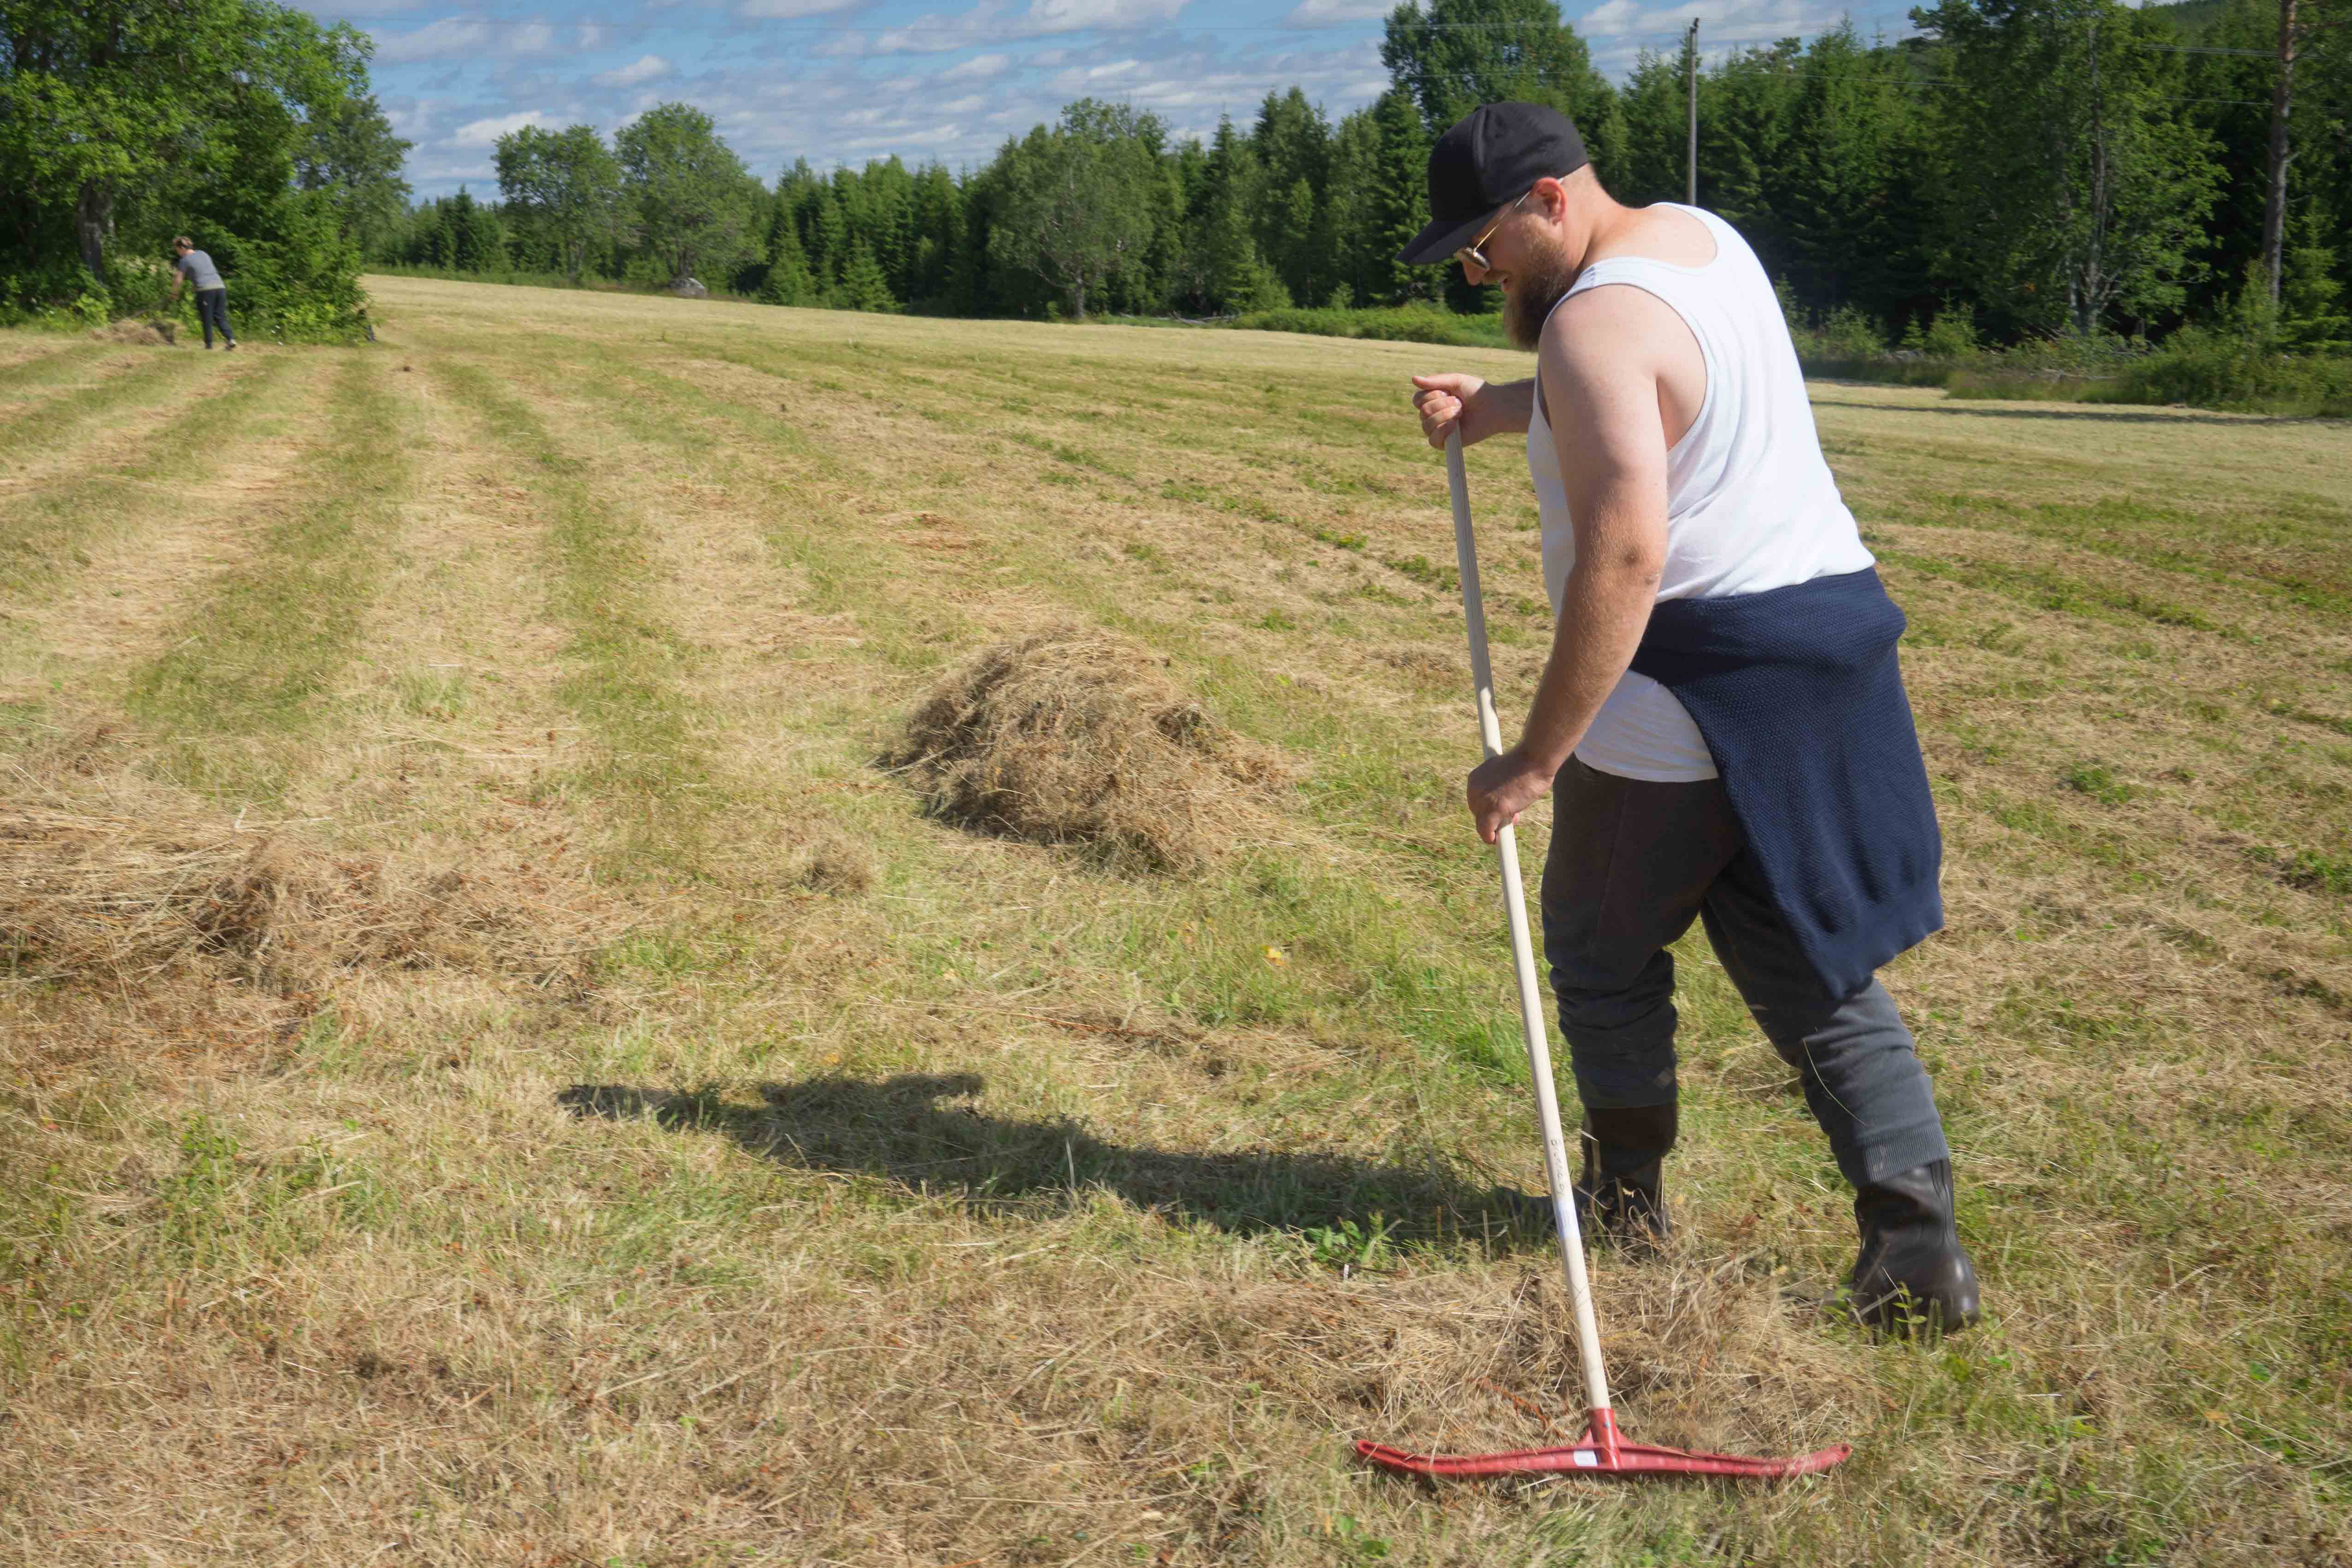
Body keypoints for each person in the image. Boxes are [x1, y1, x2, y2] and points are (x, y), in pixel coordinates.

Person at [1400, 102, 1979, 1335]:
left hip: (1694, 680)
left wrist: (1534, 759)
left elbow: (1623, 557)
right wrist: (1501, 407)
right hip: (1823, 650)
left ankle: (1626, 1205)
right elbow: (1664, 399)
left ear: (1551, 199)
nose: (1474, 268)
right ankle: (1918, 1253)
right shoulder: (1698, 241)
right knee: (1805, 952)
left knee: (1601, 938)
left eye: (1486, 240)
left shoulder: (1590, 323)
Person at [167, 237, 237, 351]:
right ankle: (231, 339)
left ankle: (209, 346)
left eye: (177, 250)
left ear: (182, 248)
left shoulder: (184, 260)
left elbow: (178, 279)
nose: (178, 253)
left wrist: (174, 293)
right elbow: (205, 271)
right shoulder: (203, 254)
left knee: (207, 318)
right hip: (220, 287)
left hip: (206, 291)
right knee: (220, 316)